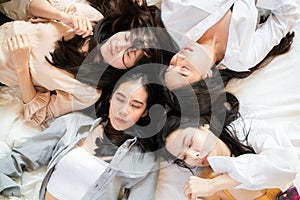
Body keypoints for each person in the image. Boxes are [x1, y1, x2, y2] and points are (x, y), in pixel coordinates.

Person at [0, 72, 168, 199]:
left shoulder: (144, 160)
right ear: (110, 98)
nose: (123, 111)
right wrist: (11, 195)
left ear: (145, 112)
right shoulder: (73, 124)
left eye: (135, 105)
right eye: (120, 99)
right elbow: (16, 160)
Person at [0, 0, 169, 126]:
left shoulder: (88, 91)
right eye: (126, 37)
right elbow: (25, 5)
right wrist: (62, 16)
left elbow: (37, 115)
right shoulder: (91, 19)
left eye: (129, 53)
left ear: (128, 69)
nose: (118, 46)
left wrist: (21, 67)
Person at [157, 94, 300, 199]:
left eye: (190, 142)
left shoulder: (248, 133)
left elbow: (287, 164)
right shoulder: (206, 186)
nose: (194, 156)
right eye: (184, 157)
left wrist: (217, 184)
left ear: (203, 126)